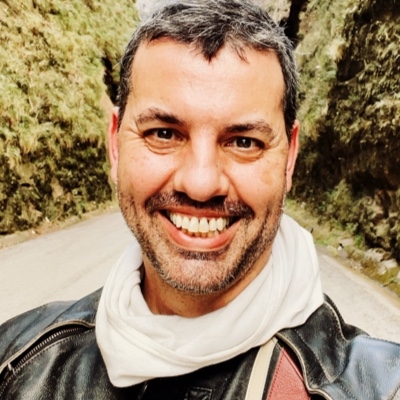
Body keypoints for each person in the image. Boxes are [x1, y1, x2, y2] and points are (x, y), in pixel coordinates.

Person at [1, 0, 399, 398]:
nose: (201, 184)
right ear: (116, 145)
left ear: (289, 158)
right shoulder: (17, 361)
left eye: (244, 142)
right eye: (163, 134)